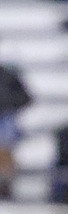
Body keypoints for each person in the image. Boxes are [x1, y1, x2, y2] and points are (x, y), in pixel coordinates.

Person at [0, 61, 31, 199]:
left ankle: (4, 184)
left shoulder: (7, 74)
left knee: (6, 133)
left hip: (4, 118)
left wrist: (5, 103)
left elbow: (26, 98)